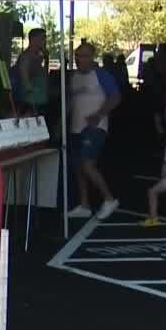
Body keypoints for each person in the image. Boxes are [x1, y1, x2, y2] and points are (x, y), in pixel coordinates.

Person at [67, 42, 122, 220]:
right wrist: (62, 122)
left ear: (91, 57)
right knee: (78, 167)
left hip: (95, 128)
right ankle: (84, 205)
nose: (79, 59)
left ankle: (109, 199)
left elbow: (116, 97)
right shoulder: (74, 76)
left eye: (83, 56)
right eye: (77, 56)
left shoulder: (101, 75)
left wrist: (99, 115)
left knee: (87, 163)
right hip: (75, 127)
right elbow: (71, 101)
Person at [15, 28, 49, 118]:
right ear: (33, 39)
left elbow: (45, 75)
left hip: (41, 100)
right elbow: (25, 75)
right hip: (31, 102)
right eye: (42, 38)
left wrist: (46, 60)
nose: (45, 41)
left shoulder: (39, 56)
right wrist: (38, 61)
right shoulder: (26, 56)